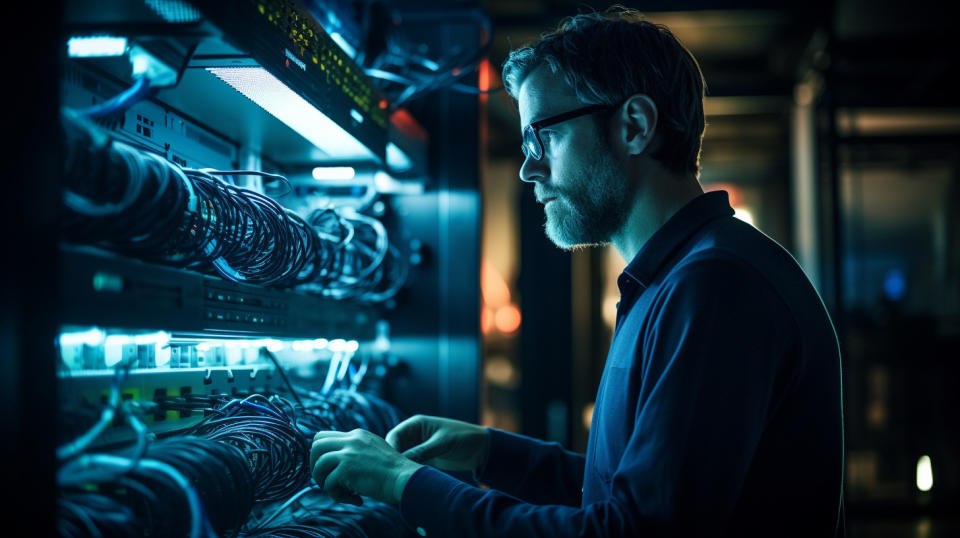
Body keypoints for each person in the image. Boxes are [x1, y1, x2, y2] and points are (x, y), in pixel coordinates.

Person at [310, 7, 844, 536]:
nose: (527, 168)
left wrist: (406, 484)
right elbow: (625, 494)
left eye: (542, 137)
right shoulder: (679, 278)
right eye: (524, 145)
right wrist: (490, 451)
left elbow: (634, 532)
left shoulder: (715, 286)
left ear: (633, 126)